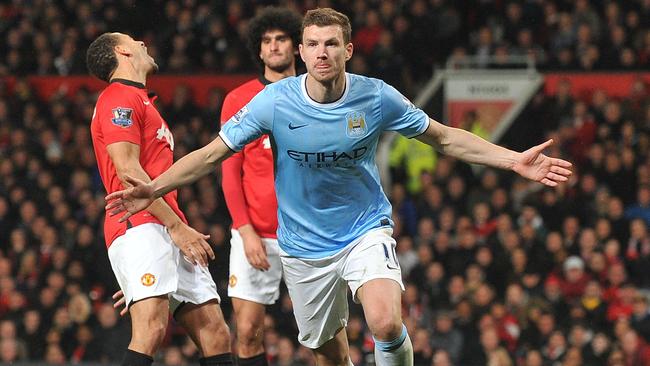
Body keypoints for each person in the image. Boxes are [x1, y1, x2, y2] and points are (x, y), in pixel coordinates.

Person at [105, 8, 572, 366]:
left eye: (331, 43)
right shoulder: (274, 102)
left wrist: (514, 161)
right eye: (313, 44)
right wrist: (155, 188)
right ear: (302, 53)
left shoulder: (376, 95)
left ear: (348, 49)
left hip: (363, 230)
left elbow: (445, 137)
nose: (322, 52)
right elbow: (211, 156)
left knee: (386, 321)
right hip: (304, 248)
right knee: (329, 355)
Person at [86, 32, 233, 366]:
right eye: (134, 40)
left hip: (162, 227)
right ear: (122, 50)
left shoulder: (140, 100)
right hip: (138, 223)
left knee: (216, 331)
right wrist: (177, 227)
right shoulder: (119, 97)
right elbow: (128, 173)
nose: (142, 43)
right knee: (151, 327)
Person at [219, 7, 301, 366]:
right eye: (266, 41)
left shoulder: (315, 93)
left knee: (324, 332)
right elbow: (229, 172)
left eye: (281, 38)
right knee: (248, 330)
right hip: (257, 234)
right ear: (258, 49)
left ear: (296, 46)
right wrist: (245, 229)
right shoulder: (239, 99)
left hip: (308, 233)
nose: (273, 46)